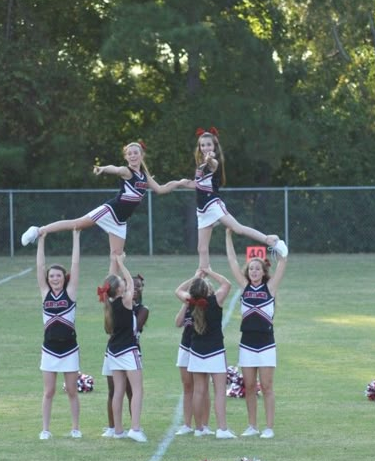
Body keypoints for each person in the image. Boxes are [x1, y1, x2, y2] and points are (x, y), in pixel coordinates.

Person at [21, 141, 187, 274]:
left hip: (121, 222)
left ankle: (110, 292)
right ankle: (38, 230)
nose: (133, 155)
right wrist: (102, 168)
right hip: (110, 211)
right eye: (129, 153)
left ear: (142, 155)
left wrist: (178, 183)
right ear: (126, 157)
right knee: (77, 224)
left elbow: (160, 189)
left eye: (136, 153)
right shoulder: (126, 171)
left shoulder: (144, 176)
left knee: (116, 257)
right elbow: (113, 169)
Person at [179, 127, 288, 270]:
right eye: (203, 145)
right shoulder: (200, 164)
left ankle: (271, 241)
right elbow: (199, 184)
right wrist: (180, 183)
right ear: (199, 147)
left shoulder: (213, 161)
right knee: (202, 249)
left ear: (214, 146)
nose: (205, 147)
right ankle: (202, 278)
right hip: (202, 210)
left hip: (212, 204)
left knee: (238, 229)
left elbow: (213, 164)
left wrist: (209, 159)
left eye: (209, 144)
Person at [225, 228, 288, 438]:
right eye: (251, 268)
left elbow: (282, 262)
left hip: (266, 345)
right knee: (249, 387)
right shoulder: (244, 287)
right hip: (247, 345)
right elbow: (232, 262)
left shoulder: (270, 288)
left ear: (263, 272)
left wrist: (277, 244)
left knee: (267, 387)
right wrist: (228, 236)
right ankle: (252, 426)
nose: (253, 271)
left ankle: (268, 428)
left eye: (257, 269)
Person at [175, 268, 236, 439]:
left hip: (196, 352)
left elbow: (178, 290)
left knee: (198, 391)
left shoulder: (190, 302)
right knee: (218, 391)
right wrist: (209, 271)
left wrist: (195, 277)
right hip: (215, 351)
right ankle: (222, 429)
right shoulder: (215, 301)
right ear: (208, 291)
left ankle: (199, 428)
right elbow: (227, 284)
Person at [37, 229, 82, 440]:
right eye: (51, 276)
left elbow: (75, 264)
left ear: (64, 277)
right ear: (48, 278)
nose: (55, 278)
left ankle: (75, 428)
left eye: (58, 275)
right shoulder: (45, 293)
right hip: (49, 349)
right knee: (49, 391)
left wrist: (76, 236)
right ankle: (45, 429)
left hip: (69, 349)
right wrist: (41, 240)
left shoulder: (70, 292)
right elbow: (39, 266)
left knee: (72, 390)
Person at [98, 254, 146, 442]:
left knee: (118, 391)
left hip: (113, 351)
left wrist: (114, 263)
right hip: (128, 350)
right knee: (137, 390)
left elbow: (113, 280)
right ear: (119, 289)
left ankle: (118, 430)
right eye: (122, 283)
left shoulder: (109, 303)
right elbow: (130, 283)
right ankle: (134, 428)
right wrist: (120, 263)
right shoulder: (126, 301)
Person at [174, 300, 213, 437]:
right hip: (186, 347)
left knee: (203, 388)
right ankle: (187, 424)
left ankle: (205, 424)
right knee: (187, 386)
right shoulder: (189, 305)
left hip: (202, 349)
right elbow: (178, 323)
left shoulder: (208, 305)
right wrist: (185, 303)